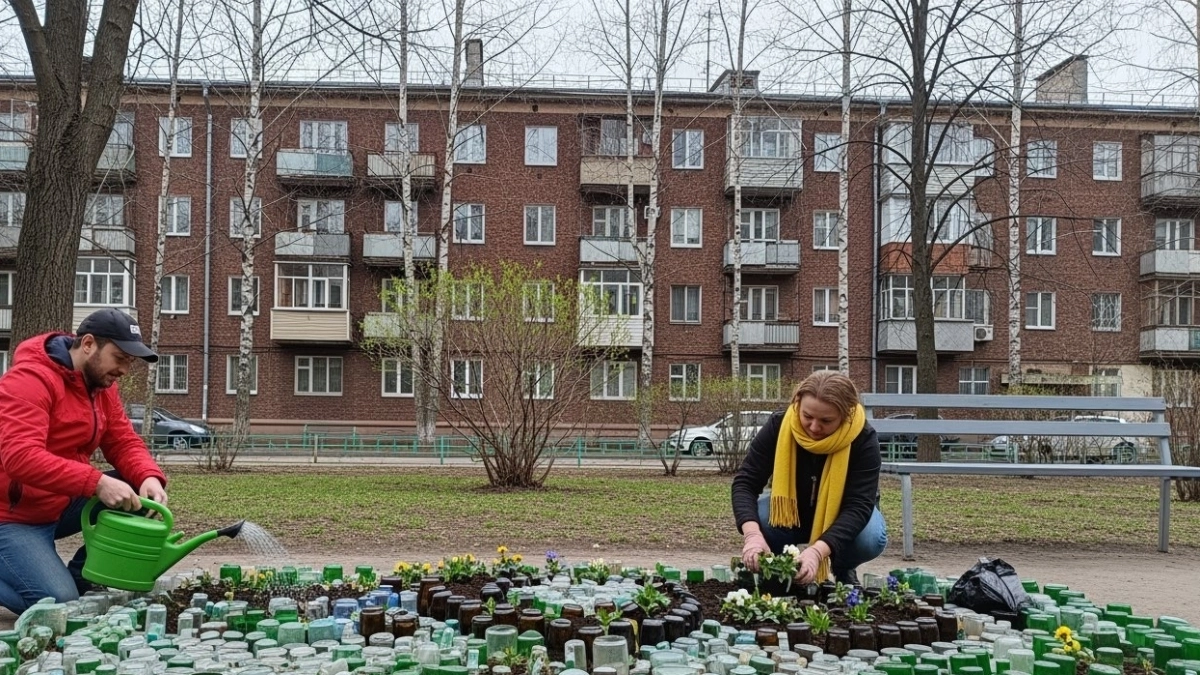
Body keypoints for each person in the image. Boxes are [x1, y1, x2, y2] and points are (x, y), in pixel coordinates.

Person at [0, 308, 169, 613]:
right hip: (12, 516)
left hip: (57, 504)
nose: (124, 370)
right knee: (59, 602)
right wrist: (96, 482)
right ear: (88, 344)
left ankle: (83, 575)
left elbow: (122, 441)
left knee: (137, 489)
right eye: (119, 358)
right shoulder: (30, 380)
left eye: (129, 362)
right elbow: (20, 457)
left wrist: (148, 476)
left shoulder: (101, 387)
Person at [731, 370, 886, 586]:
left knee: (869, 538)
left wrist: (817, 551)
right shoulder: (779, 425)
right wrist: (752, 536)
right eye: (807, 416)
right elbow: (745, 483)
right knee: (762, 517)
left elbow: (858, 506)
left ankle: (843, 566)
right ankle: (779, 567)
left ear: (846, 415)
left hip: (843, 515)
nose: (814, 427)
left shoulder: (863, 439)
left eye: (826, 420)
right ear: (797, 404)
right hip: (794, 514)